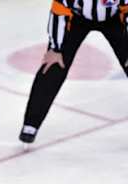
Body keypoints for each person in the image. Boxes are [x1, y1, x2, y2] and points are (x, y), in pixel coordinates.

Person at [19, 0, 128, 144]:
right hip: (76, 18)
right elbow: (59, 9)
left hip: (115, 18)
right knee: (53, 65)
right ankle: (31, 124)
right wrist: (55, 48)